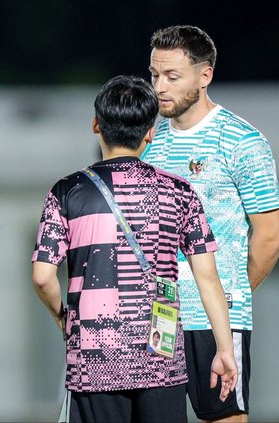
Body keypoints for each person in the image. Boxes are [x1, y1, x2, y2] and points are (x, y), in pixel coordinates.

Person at [31, 75, 237, 423]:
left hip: (95, 357)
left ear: (96, 124)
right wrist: (225, 349)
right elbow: (207, 278)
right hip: (161, 354)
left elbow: (42, 277)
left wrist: (62, 318)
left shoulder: (66, 191)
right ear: (150, 133)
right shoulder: (179, 191)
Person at [142, 25, 279, 422]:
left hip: (216, 320)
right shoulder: (150, 140)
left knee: (224, 419)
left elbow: (268, 237)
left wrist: (223, 301)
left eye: (172, 76)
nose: (159, 87)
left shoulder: (242, 141)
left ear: (205, 76)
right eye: (154, 75)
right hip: (160, 316)